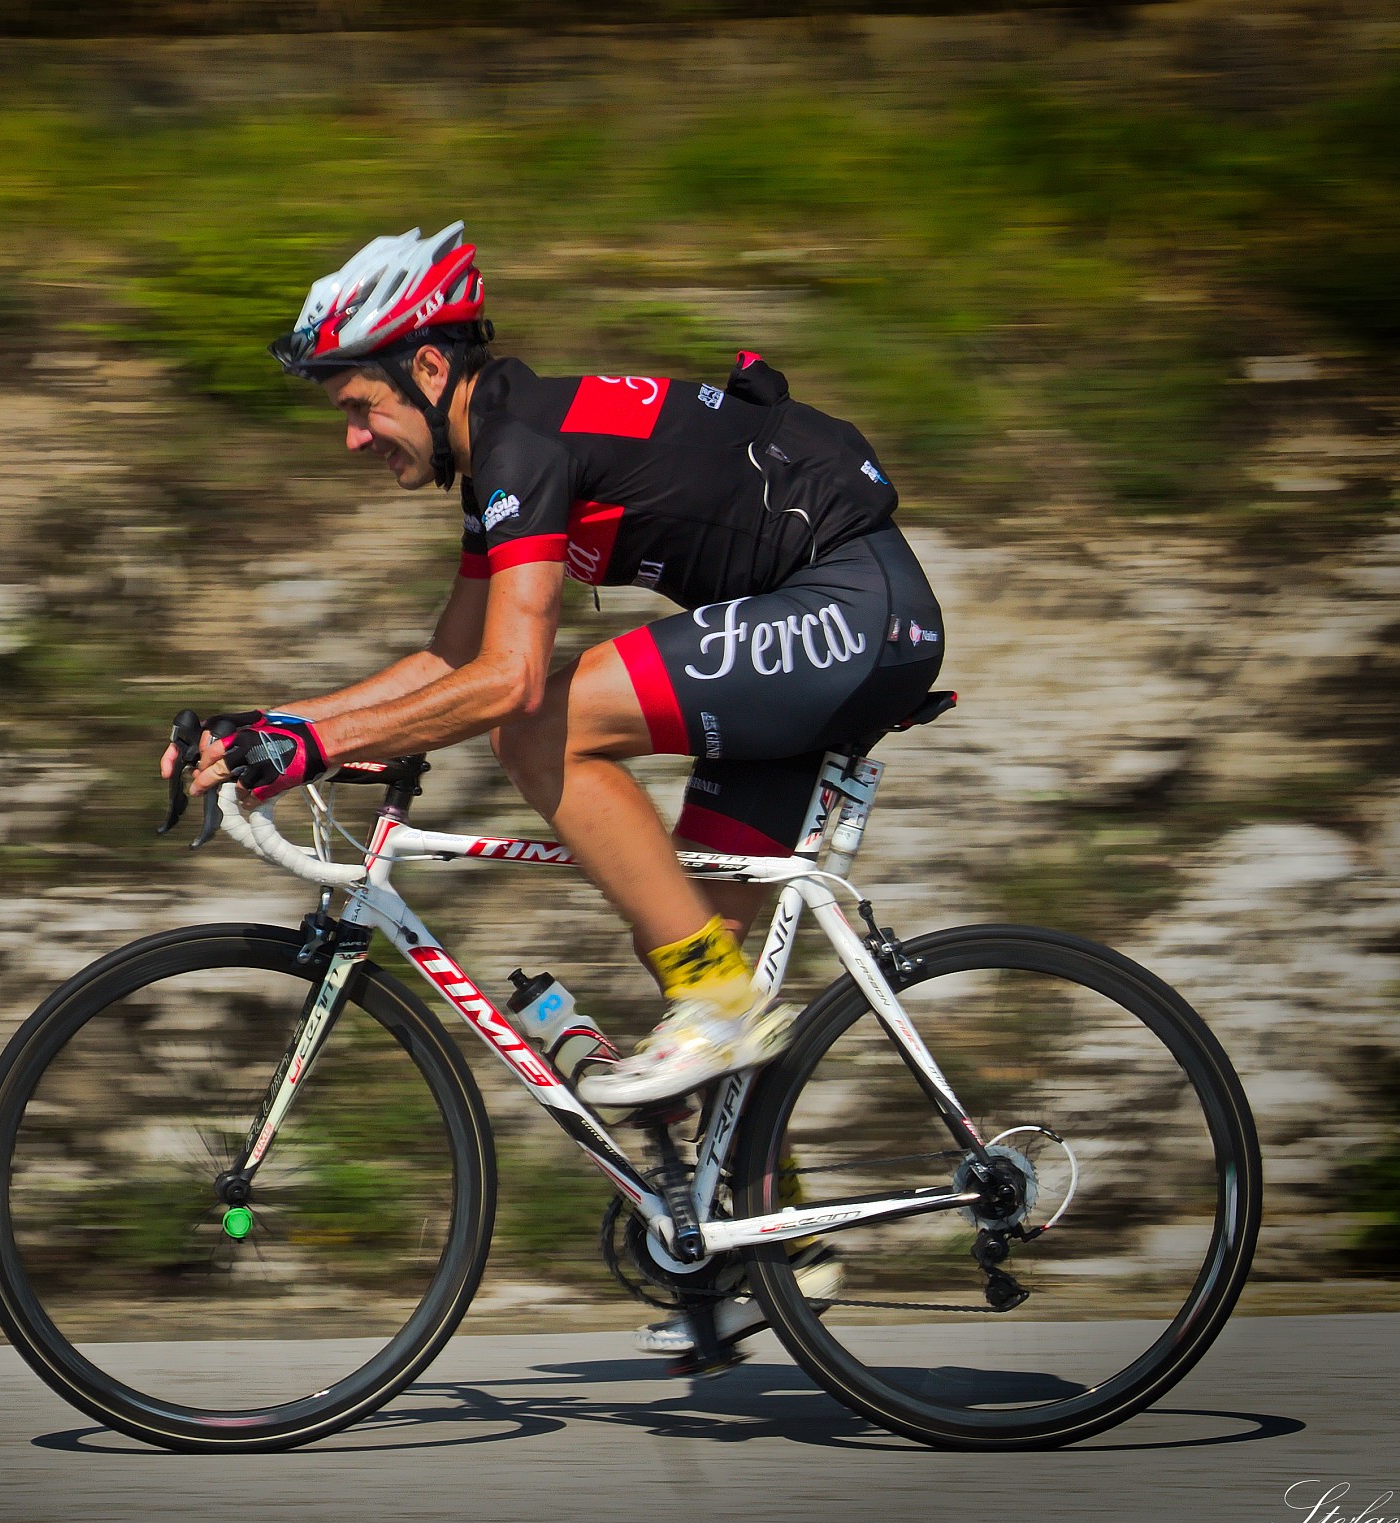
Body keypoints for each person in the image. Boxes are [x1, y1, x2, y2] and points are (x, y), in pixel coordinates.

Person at [168, 222, 941, 1280]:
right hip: (821, 619)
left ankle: (719, 1002)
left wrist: (310, 743)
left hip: (852, 606)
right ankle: (771, 1244)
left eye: (361, 404)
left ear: (429, 366)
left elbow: (509, 684)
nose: (352, 437)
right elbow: (448, 663)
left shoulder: (523, 446)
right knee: (677, 922)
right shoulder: (510, 456)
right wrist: (267, 729)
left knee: (545, 723)